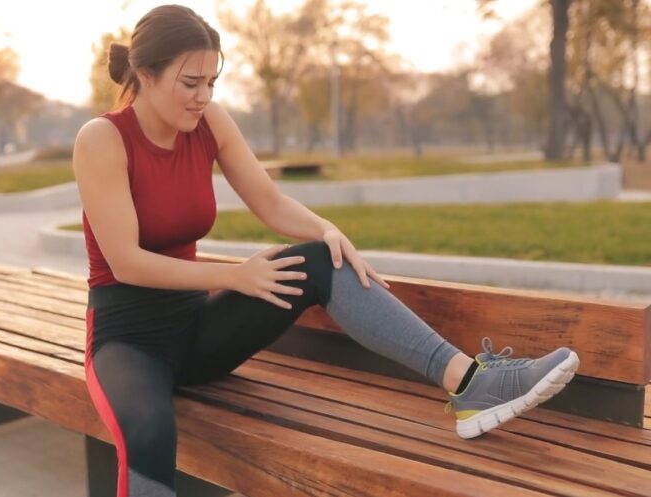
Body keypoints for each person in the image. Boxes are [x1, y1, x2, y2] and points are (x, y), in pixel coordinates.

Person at [72, 5, 580, 496]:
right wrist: (232, 276)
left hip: (199, 333)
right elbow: (127, 262)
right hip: (127, 344)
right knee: (151, 436)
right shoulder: (102, 139)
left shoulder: (210, 122)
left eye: (211, 82)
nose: (203, 96)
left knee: (319, 257)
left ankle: (471, 384)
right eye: (190, 83)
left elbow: (268, 201)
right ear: (146, 73)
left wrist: (326, 229)